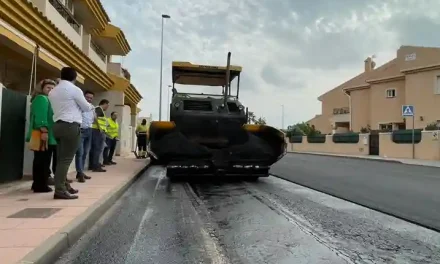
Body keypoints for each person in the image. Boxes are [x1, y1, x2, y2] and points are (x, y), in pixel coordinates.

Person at [49, 67, 94, 200]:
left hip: (57, 125)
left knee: (60, 158)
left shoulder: (53, 91)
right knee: (65, 159)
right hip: (70, 125)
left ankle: (64, 185)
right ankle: (60, 190)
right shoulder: (74, 89)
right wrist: (90, 106)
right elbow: (86, 107)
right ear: (74, 77)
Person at [26, 79, 57, 193]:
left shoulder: (45, 99)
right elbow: (41, 117)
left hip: (44, 133)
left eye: (53, 88)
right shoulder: (42, 99)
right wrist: (44, 131)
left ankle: (38, 184)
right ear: (42, 88)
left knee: (41, 160)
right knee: (42, 160)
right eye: (48, 87)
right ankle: (40, 185)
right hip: (42, 133)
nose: (51, 90)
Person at [74, 90, 95, 182]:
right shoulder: (78, 105)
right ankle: (79, 173)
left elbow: (93, 118)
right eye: (87, 97)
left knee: (85, 152)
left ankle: (81, 172)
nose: (89, 99)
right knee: (80, 152)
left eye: (91, 98)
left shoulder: (92, 107)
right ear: (83, 97)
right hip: (80, 130)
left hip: (89, 130)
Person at [89, 99, 109, 172]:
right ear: (105, 104)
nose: (107, 107)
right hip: (97, 131)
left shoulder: (100, 110)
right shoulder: (98, 109)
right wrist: (100, 128)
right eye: (107, 105)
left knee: (95, 148)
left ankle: (93, 164)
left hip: (97, 130)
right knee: (97, 148)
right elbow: (95, 118)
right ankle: (95, 166)